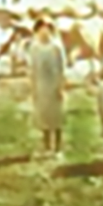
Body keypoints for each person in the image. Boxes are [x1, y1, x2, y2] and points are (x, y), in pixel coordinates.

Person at [28, 16, 68, 158]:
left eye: (47, 29)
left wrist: (61, 86)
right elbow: (32, 69)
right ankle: (46, 146)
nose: (44, 32)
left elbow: (62, 67)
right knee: (44, 115)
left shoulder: (56, 47)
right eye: (41, 29)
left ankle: (57, 147)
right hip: (41, 84)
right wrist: (33, 87)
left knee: (56, 116)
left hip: (54, 84)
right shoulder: (34, 48)